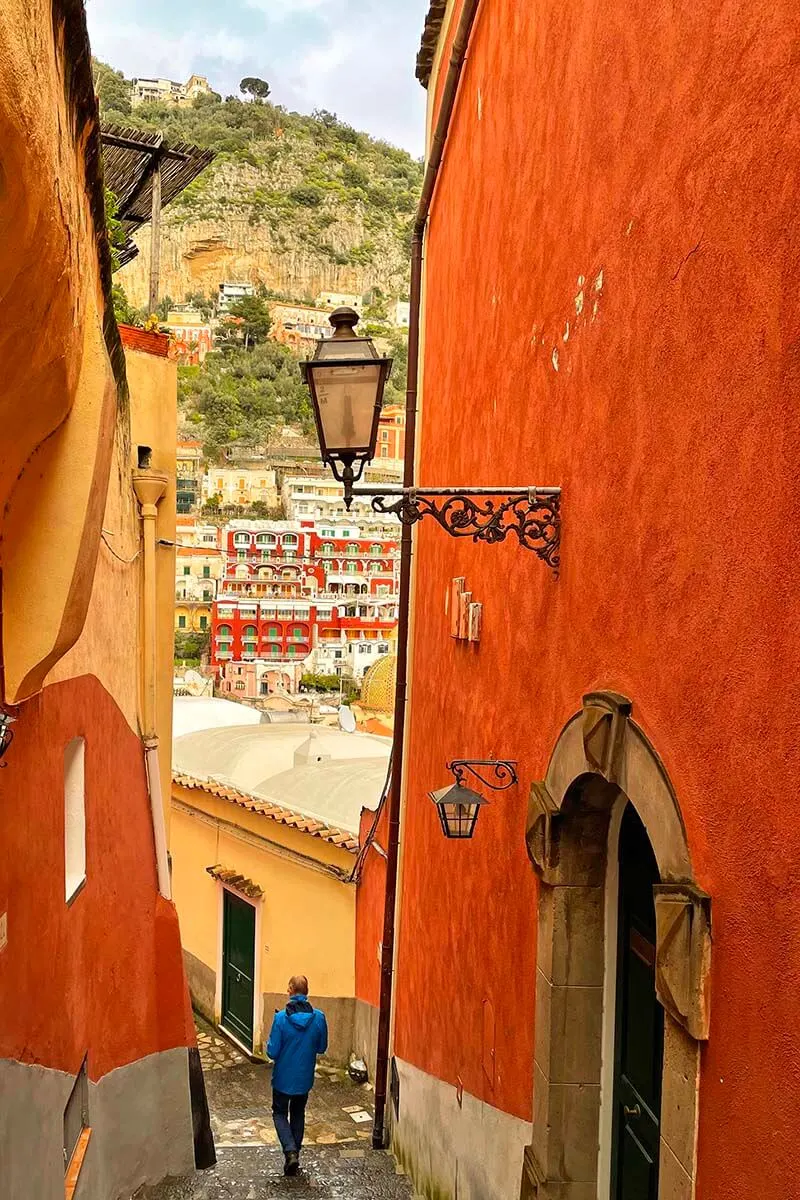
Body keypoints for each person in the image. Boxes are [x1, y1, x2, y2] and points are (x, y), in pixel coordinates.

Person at [266, 975, 328, 1176]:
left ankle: (290, 1151)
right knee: (298, 1112)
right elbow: (321, 1047)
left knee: (279, 1112)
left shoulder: (281, 1019)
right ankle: (295, 1153)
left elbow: (272, 1052)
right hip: (304, 1078)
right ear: (306, 991)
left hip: (283, 1078)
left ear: (291, 990)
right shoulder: (319, 1018)